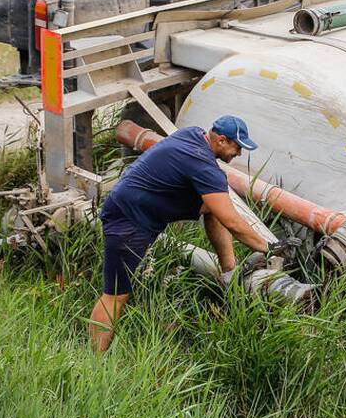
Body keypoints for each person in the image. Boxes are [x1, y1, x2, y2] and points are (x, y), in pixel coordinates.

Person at [88, 115, 270, 352]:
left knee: (211, 207)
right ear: (222, 141)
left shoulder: (193, 134)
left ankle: (229, 273)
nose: (238, 153)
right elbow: (232, 222)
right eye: (237, 147)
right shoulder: (202, 164)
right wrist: (268, 248)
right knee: (115, 294)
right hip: (128, 220)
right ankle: (94, 359)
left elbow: (218, 207)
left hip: (137, 206)